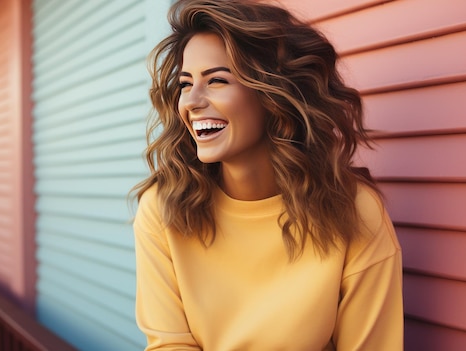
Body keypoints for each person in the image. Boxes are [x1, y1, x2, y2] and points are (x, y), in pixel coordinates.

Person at [132, 0, 403, 350]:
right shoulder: (163, 209)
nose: (192, 101)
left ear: (274, 94)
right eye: (185, 84)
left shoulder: (356, 212)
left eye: (216, 80)